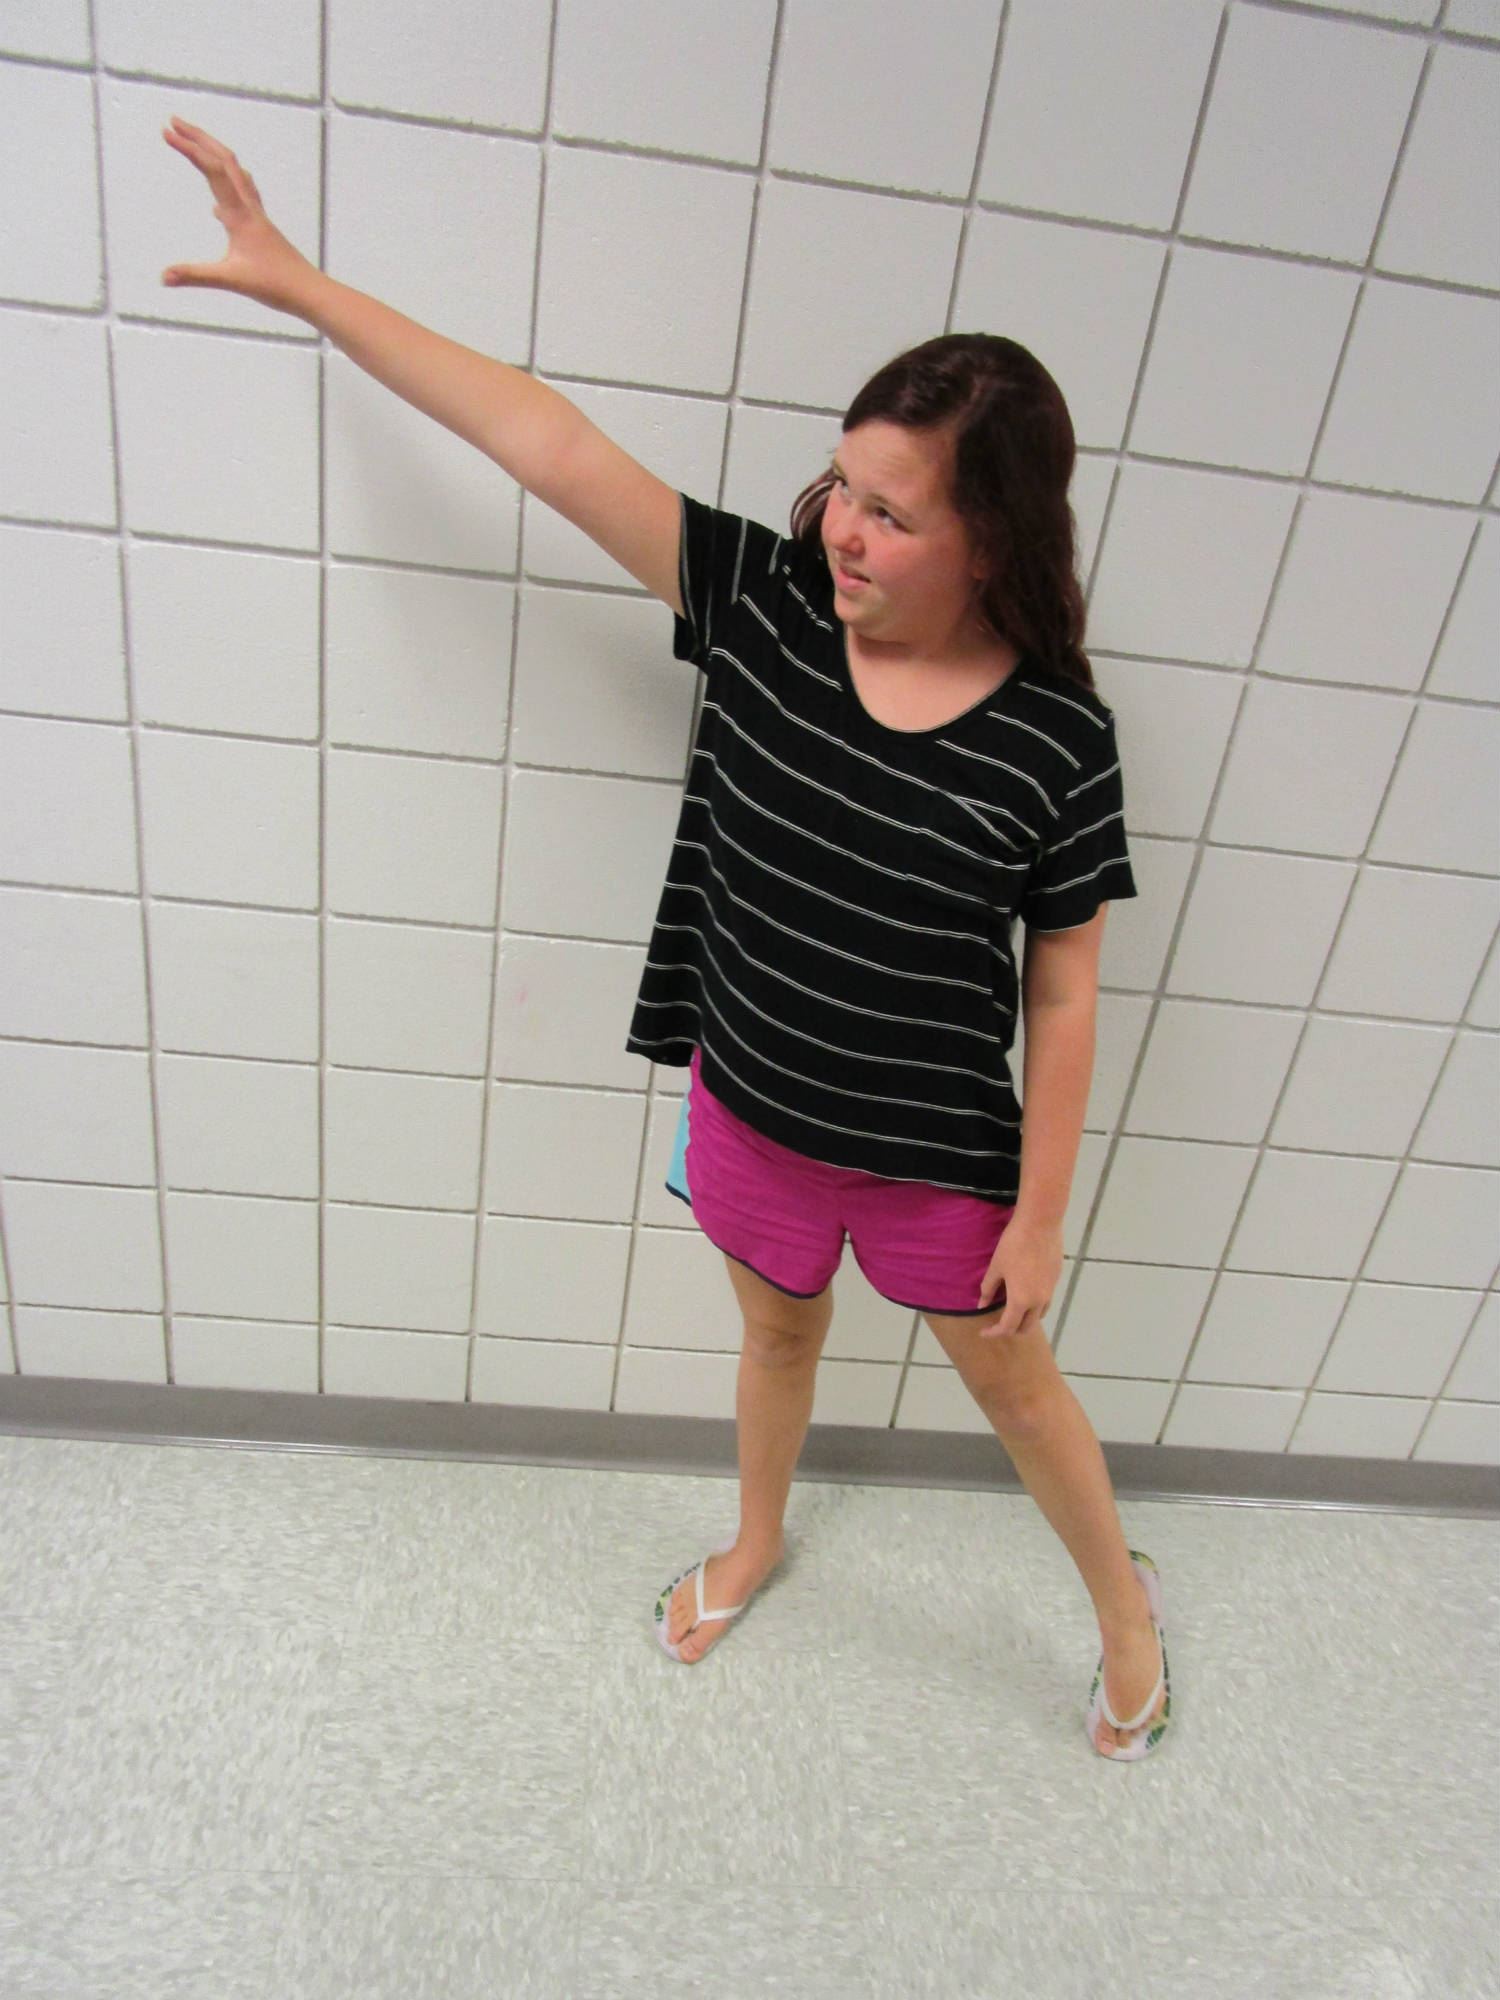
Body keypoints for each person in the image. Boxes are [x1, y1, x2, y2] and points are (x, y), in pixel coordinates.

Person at [160, 115, 1172, 1761]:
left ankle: (1124, 1610)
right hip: (753, 1106)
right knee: (776, 1337)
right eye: (844, 487)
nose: (845, 530)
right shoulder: (766, 605)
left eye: (894, 513)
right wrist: (305, 285)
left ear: (994, 537)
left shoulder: (1059, 738)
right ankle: (757, 1539)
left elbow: (1063, 989)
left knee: (1013, 1385)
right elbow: (547, 443)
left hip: (938, 1161)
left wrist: (1042, 1215)